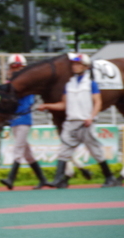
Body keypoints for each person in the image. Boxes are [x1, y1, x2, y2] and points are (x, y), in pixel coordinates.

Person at [38, 53, 121, 188]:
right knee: (64, 151)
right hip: (71, 123)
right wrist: (47, 106)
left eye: (78, 64)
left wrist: (91, 117)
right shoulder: (69, 85)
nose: (74, 67)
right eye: (74, 64)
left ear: (85, 67)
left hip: (85, 122)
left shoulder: (91, 84)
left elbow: (98, 102)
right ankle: (59, 180)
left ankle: (109, 177)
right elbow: (63, 105)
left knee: (96, 151)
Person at [0, 54, 49, 190]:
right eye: (13, 67)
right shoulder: (11, 83)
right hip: (15, 120)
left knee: (18, 149)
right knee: (27, 153)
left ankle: (11, 178)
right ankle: (43, 179)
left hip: (24, 119)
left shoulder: (27, 83)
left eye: (18, 67)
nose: (15, 70)